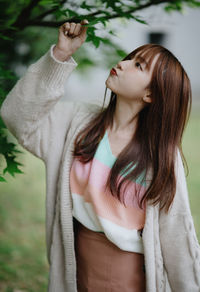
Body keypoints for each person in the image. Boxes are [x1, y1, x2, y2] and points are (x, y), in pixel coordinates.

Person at [1, 18, 200, 292]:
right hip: (76, 270)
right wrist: (60, 55)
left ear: (151, 94)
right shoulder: (78, 123)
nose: (122, 63)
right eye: (129, 58)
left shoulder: (160, 155)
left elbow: (177, 236)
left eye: (138, 65)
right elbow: (17, 117)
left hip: (131, 279)